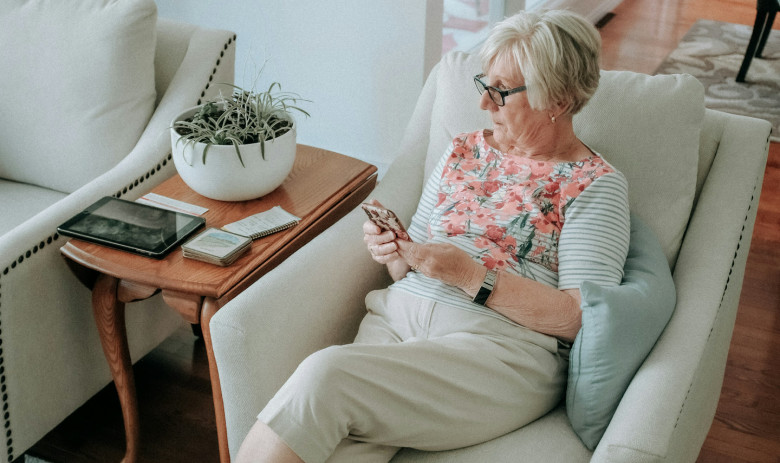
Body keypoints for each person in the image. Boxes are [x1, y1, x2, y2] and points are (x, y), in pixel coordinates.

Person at [236, 9, 630, 463]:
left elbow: (580, 319)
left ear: (557, 100)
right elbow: (408, 264)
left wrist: (471, 276)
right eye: (485, 86)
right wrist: (394, 249)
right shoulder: (464, 149)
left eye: (501, 92)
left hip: (498, 353)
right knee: (343, 451)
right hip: (396, 322)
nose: (485, 105)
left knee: (324, 376)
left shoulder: (595, 185)